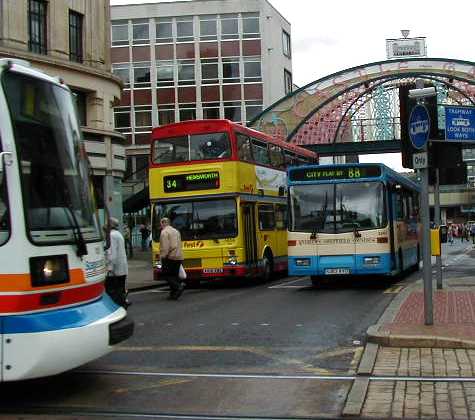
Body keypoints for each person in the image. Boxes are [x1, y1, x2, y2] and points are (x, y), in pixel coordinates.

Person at [105, 217, 130, 308]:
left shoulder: (111, 235)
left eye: (106, 223)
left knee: (112, 290)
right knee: (120, 288)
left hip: (115, 269)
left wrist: (110, 268)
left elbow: (112, 254)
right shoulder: (118, 234)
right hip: (121, 268)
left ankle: (120, 305)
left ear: (109, 225)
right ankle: (123, 303)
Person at [159, 217, 185, 300]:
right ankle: (173, 294)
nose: (161, 225)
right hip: (179, 256)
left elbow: (165, 247)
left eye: (161, 224)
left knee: (166, 275)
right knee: (174, 275)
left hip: (170, 257)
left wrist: (163, 256)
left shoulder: (164, 232)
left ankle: (178, 287)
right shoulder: (176, 231)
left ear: (163, 223)